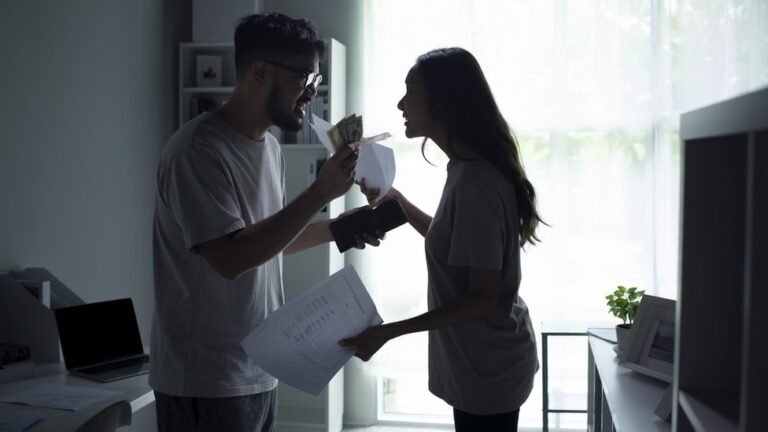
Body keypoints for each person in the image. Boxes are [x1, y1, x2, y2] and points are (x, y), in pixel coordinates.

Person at [151, 13, 378, 432]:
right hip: (205, 378)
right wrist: (320, 193)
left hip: (259, 366)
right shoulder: (197, 150)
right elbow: (231, 258)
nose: (312, 91)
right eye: (304, 77)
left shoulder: (270, 149)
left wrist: (338, 227)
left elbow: (266, 242)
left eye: (315, 79)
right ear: (260, 73)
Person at [339, 47, 544, 432]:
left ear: (442, 101)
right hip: (481, 361)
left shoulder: (475, 181)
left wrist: (388, 332)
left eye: (410, 90)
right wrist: (396, 200)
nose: (401, 103)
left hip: (489, 367)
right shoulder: (465, 169)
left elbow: (482, 296)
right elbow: (453, 240)